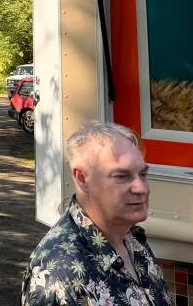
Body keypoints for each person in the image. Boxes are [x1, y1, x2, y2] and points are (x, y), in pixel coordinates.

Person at [22, 122, 172, 306]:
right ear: (82, 179)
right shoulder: (60, 272)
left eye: (142, 174)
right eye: (121, 176)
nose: (141, 188)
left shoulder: (132, 239)